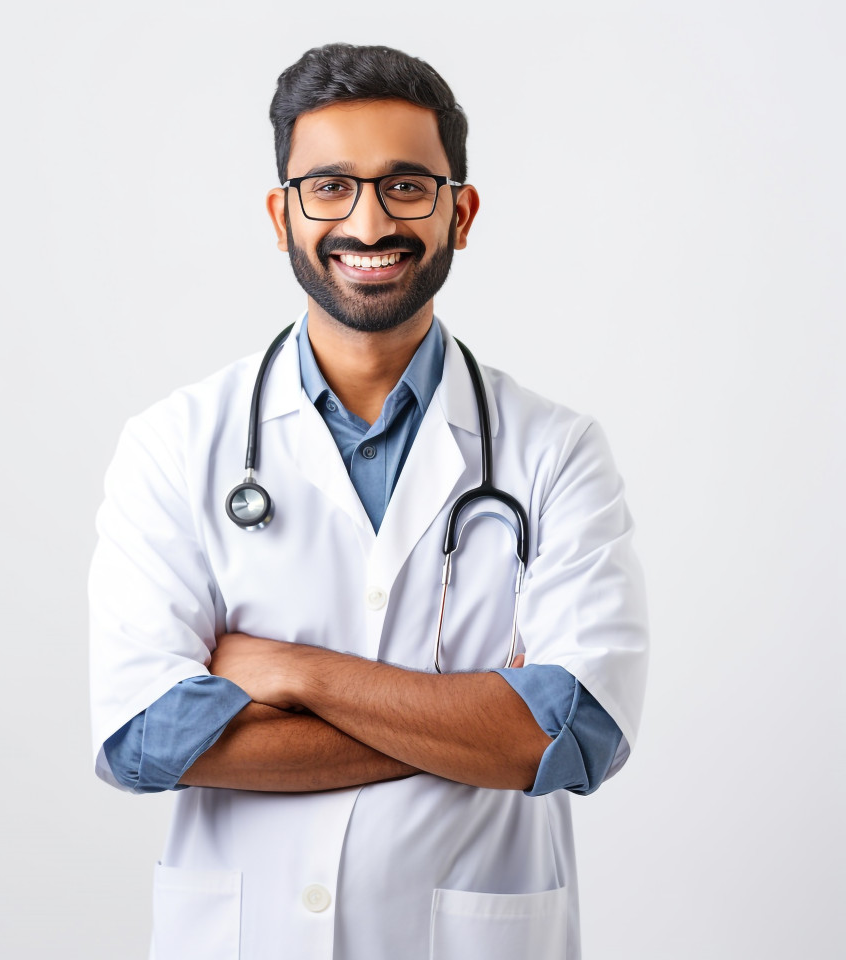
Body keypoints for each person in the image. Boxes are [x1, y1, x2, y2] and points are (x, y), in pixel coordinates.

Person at [89, 42, 648, 960]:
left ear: (459, 211)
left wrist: (297, 674)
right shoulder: (175, 445)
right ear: (282, 214)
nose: (368, 219)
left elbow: (576, 731)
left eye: (406, 186)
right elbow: (149, 738)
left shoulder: (555, 451)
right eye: (330, 187)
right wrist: (480, 724)